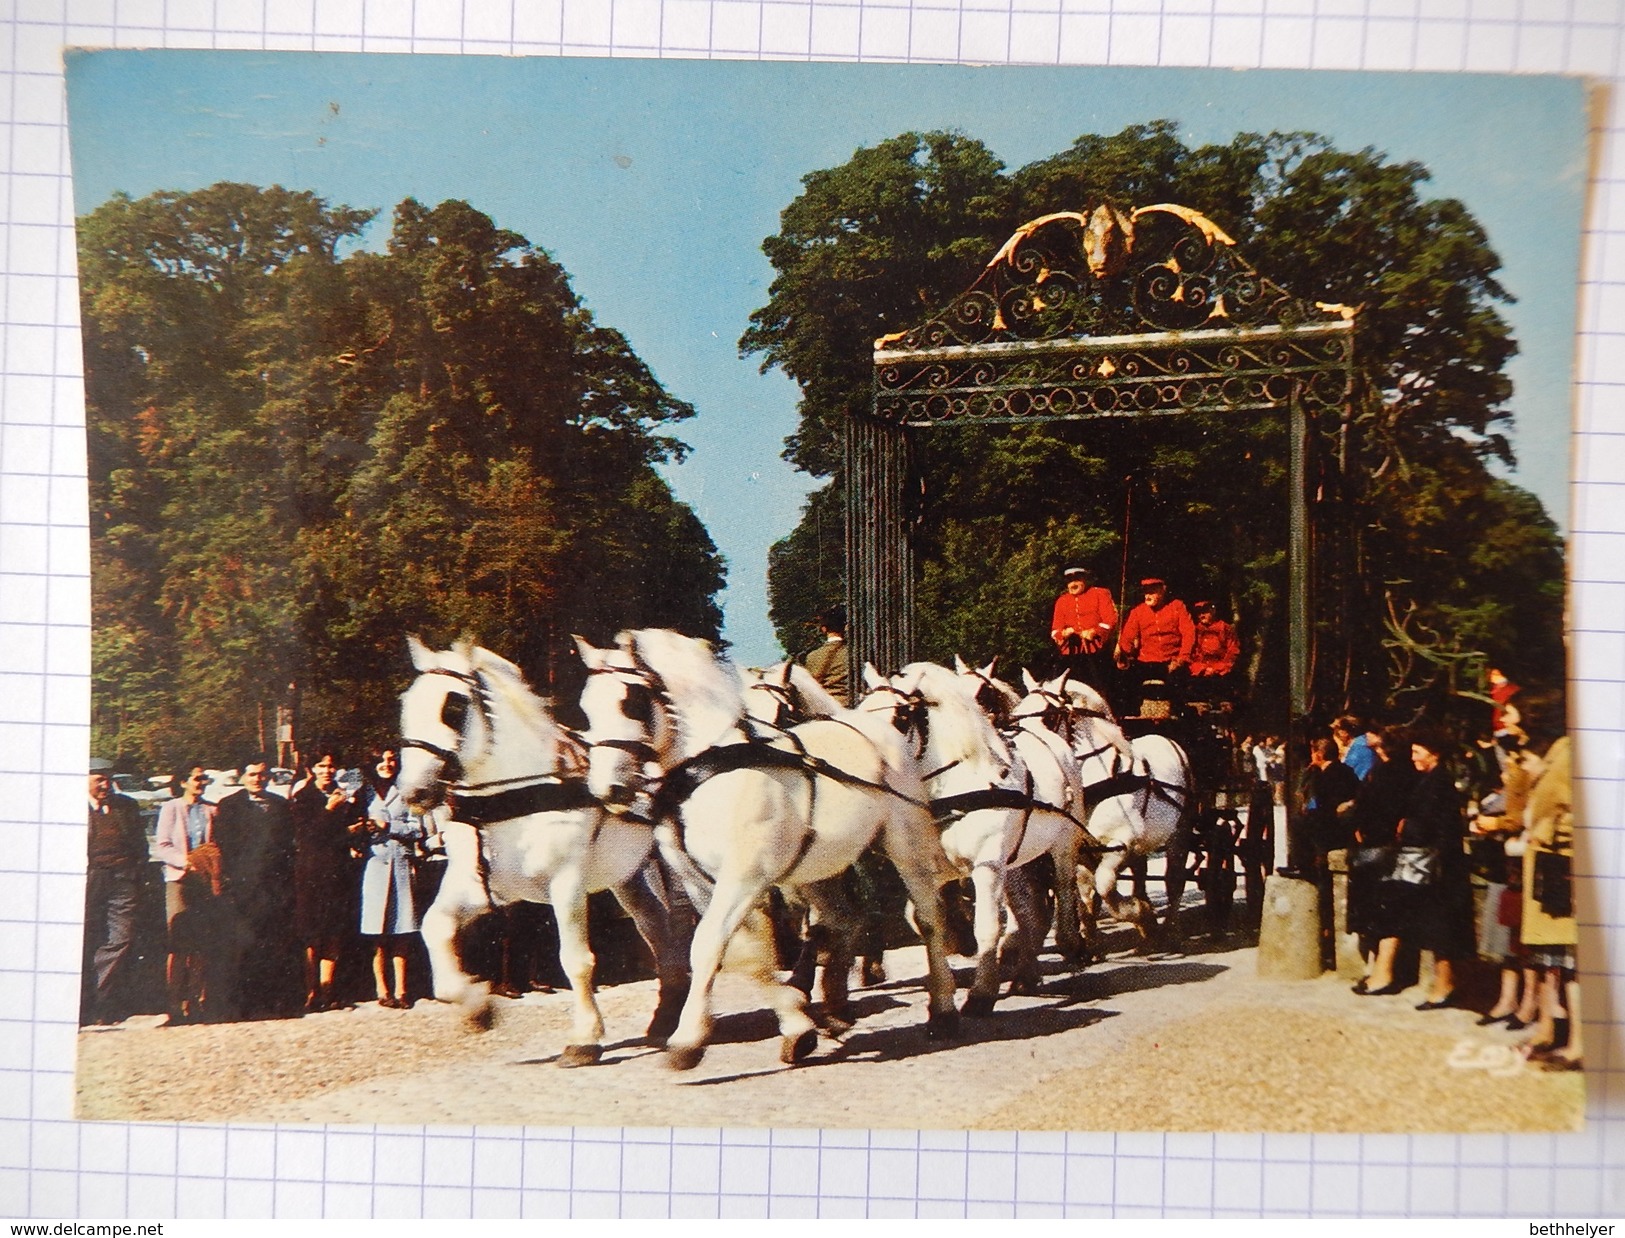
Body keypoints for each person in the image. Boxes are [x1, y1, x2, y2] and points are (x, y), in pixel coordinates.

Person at [213, 755, 300, 1020]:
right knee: (243, 946)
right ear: (242, 776)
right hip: (242, 889)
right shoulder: (229, 806)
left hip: (274, 889)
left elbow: (288, 847)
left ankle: (271, 1004)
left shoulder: (280, 805)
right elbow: (224, 847)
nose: (257, 779)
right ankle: (241, 1006)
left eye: (262, 774)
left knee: (272, 945)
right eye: (252, 774)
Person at [290, 747, 365, 1012]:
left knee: (334, 933)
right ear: (311, 770)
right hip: (311, 873)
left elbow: (346, 833)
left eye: (330, 766)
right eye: (321, 767)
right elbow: (308, 835)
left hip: (337, 871)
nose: (327, 771)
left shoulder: (344, 794)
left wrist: (353, 829)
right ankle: (312, 992)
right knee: (313, 935)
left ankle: (328, 990)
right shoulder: (303, 797)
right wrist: (330, 810)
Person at [358, 747, 427, 1009]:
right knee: (378, 932)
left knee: (402, 929)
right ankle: (381, 989)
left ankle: (402, 990)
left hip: (400, 865)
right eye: (381, 761)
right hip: (374, 865)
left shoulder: (407, 791)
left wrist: (389, 827)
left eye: (391, 760)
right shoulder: (364, 792)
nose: (387, 765)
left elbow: (417, 828)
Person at [81, 763, 149, 1026]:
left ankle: (102, 1004)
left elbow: (140, 846)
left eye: (108, 780)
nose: (105, 785)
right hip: (89, 880)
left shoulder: (126, 807)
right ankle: (80, 1005)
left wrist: (134, 872)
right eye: (99, 780)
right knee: (82, 938)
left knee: (121, 938)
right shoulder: (69, 806)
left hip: (122, 880)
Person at [152, 765, 219, 1024]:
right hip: (179, 879)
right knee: (178, 942)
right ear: (183, 782)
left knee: (200, 944)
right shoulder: (171, 808)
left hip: (203, 881)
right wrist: (185, 862)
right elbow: (163, 846)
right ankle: (173, 1006)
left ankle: (195, 1002)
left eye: (204, 778)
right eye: (196, 778)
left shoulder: (212, 809)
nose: (201, 782)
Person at [1300, 737, 1361, 970]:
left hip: (1328, 838)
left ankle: (1327, 947)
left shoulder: (1322, 777)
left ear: (1318, 754)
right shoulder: (1347, 771)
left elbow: (1318, 809)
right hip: (1344, 833)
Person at [1115, 577, 1194, 712]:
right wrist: (1124, 652)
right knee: (1124, 681)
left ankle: (1178, 719)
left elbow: (1189, 632)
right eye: (1146, 592)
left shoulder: (1177, 607)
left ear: (1162, 591)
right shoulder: (1137, 612)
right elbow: (1127, 637)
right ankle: (1129, 718)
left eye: (1152, 592)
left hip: (1172, 660)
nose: (1148, 595)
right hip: (1146, 661)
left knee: (1178, 684)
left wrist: (1182, 658)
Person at [1049, 566, 1117, 691]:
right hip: (1070, 653)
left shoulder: (1100, 594)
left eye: (1077, 580)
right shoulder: (1062, 601)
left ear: (1085, 580)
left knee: (1098, 688)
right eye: (1070, 581)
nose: (1073, 584)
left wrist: (1094, 631)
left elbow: (1110, 621)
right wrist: (1063, 633)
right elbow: (1055, 630)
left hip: (1095, 651)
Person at [802, 603, 852, 707]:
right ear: (846, 627)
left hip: (824, 709)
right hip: (850, 707)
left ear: (823, 629)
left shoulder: (812, 656)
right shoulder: (854, 654)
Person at [1186, 600, 1239, 695]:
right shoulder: (1195, 629)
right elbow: (1192, 651)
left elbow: (1232, 650)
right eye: (1199, 613)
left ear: (1213, 611)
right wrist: (1201, 668)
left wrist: (1217, 668)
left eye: (1205, 612)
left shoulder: (1225, 628)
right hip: (1200, 671)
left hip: (1220, 671)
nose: (1201, 615)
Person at [1331, 715, 1376, 782]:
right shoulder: (1363, 743)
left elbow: (1343, 776)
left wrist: (1339, 746)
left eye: (1337, 729)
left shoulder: (1358, 750)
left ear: (1344, 732)